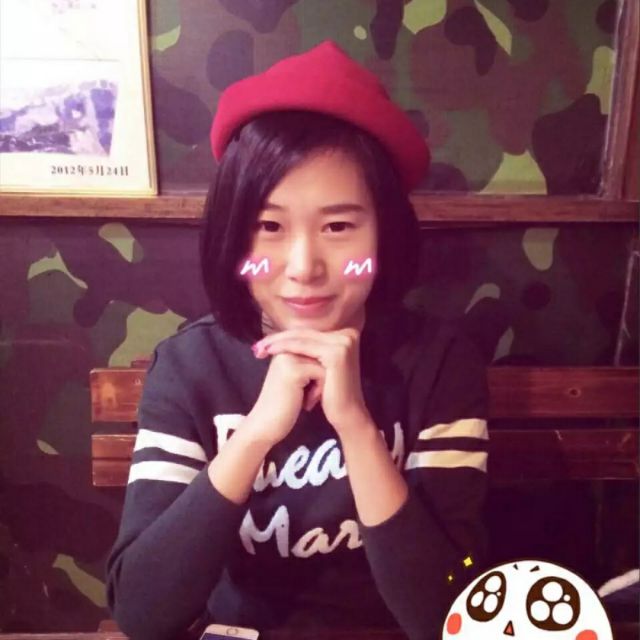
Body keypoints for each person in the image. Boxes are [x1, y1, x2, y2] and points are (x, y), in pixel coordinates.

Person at [106, 40, 490, 640]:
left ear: (384, 234)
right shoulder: (190, 367)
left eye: (338, 226)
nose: (304, 266)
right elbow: (142, 613)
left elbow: (448, 614)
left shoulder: (438, 364)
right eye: (269, 226)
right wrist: (256, 432)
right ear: (233, 235)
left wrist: (356, 426)